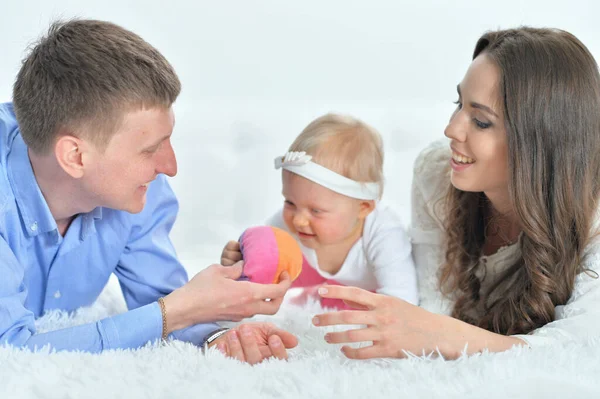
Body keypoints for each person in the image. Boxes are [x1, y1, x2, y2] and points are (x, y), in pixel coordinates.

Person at [0, 19, 297, 364]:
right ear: (75, 156)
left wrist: (218, 335)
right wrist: (177, 309)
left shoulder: (140, 190)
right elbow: (11, 350)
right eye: (149, 149)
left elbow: (161, 299)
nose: (170, 166)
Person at [309, 27, 600, 359]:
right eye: (459, 103)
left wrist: (444, 336)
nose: (451, 129)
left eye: (481, 121)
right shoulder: (436, 173)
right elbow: (432, 308)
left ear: (541, 142)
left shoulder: (593, 220)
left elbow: (581, 346)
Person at [221, 113, 417, 309]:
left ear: (363, 207)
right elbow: (259, 277)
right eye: (290, 202)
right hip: (318, 288)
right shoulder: (285, 223)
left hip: (366, 299)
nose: (298, 220)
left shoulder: (385, 234)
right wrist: (240, 266)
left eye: (316, 211)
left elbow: (402, 302)